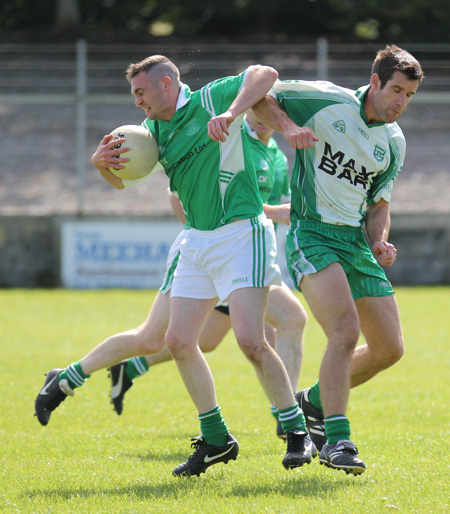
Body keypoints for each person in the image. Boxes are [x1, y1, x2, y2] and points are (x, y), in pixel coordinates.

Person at [35, 55, 313, 477]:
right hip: (197, 242)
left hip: (242, 234)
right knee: (180, 341)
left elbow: (265, 74)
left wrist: (231, 112)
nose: (137, 103)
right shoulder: (151, 133)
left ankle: (297, 432)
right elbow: (121, 182)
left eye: (140, 92)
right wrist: (101, 166)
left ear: (167, 84)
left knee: (251, 340)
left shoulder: (210, 99)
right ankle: (217, 439)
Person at [253, 44, 424, 476]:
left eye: (409, 95)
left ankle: (312, 402)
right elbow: (258, 92)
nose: (401, 102)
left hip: (355, 241)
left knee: (389, 349)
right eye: (396, 91)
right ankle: (337, 439)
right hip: (311, 232)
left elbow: (378, 204)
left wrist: (380, 241)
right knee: (345, 331)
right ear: (374, 82)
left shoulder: (394, 142)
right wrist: (290, 127)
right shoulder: (327, 100)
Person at [108, 111, 308, 443]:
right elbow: (180, 196)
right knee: (288, 321)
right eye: (254, 111)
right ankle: (288, 415)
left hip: (250, 256)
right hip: (228, 255)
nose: (260, 119)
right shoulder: (231, 140)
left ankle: (131, 367)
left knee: (203, 342)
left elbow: (263, 205)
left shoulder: (275, 155)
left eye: (267, 112)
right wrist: (205, 229)